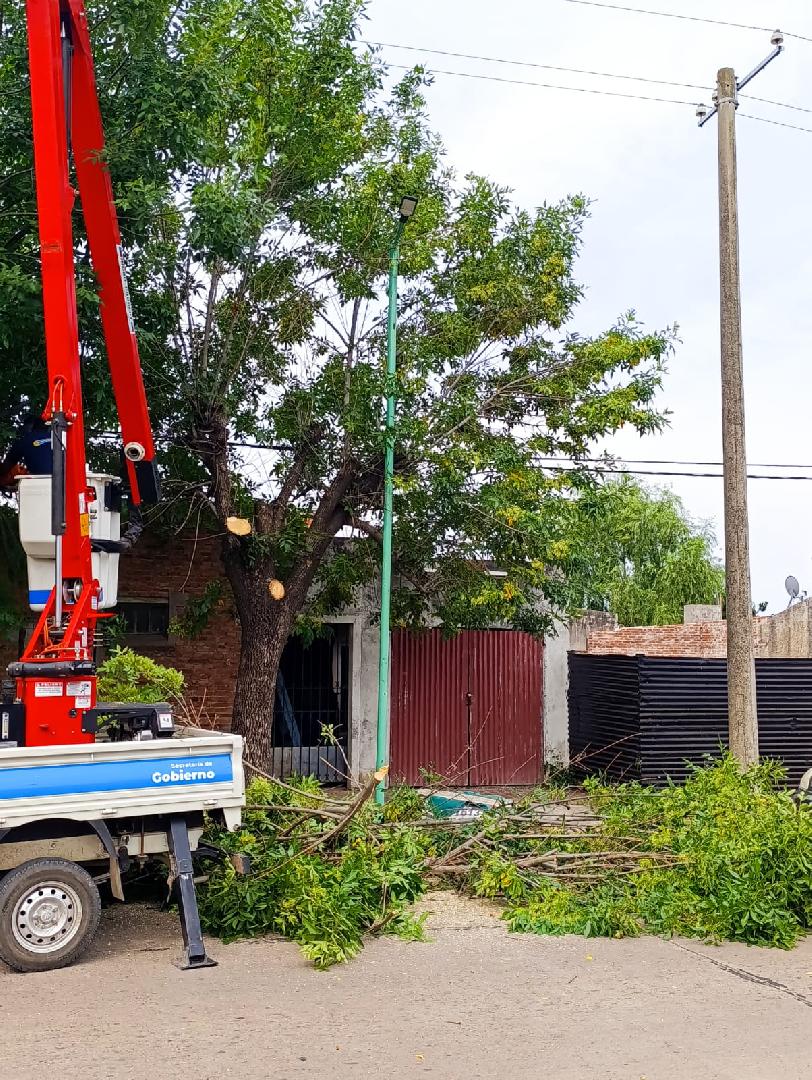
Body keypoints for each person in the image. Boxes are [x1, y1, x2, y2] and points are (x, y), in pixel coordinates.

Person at [0, 414, 52, 488]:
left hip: (40, 483)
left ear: (30, 426)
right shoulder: (58, 438)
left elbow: (6, 467)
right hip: (65, 481)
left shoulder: (24, 441)